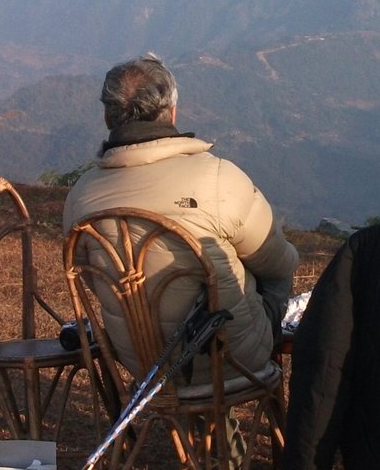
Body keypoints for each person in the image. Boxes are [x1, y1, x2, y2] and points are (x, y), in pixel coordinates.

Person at [62, 54, 298, 377]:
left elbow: (90, 277)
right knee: (263, 268)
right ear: (172, 112)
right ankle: (224, 419)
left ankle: (203, 421)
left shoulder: (81, 197)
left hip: (143, 364)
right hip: (231, 360)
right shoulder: (217, 179)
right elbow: (280, 263)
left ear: (107, 116)